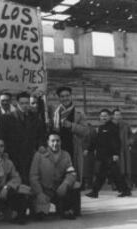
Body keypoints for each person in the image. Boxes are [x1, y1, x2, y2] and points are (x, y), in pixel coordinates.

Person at [52, 86, 88, 215]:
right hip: (59, 151)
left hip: (74, 150)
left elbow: (85, 131)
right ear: (59, 98)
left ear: (71, 96)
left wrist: (71, 126)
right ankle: (62, 208)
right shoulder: (54, 112)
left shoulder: (79, 113)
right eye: (62, 96)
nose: (65, 98)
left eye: (67, 95)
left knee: (74, 178)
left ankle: (74, 209)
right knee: (61, 178)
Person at [0, 92, 45, 185]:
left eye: (27, 103)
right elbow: (1, 137)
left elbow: (41, 135)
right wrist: (4, 152)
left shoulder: (35, 118)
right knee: (14, 181)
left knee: (30, 180)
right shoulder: (6, 118)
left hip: (30, 155)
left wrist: (41, 145)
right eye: (22, 103)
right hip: (13, 156)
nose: (25, 106)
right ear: (17, 103)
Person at [30, 132, 77, 220]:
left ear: (61, 142)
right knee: (40, 216)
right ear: (48, 142)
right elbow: (33, 176)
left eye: (57, 141)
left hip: (59, 190)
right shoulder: (39, 155)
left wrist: (65, 184)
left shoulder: (66, 155)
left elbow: (71, 173)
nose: (55, 143)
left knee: (68, 214)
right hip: (44, 190)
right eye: (52, 141)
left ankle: (65, 209)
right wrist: (39, 192)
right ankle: (40, 208)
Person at [86, 109, 131, 198]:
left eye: (105, 116)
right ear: (99, 117)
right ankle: (95, 192)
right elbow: (97, 141)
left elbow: (116, 142)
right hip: (103, 156)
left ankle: (125, 190)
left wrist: (116, 154)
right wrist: (89, 149)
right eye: (102, 116)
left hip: (110, 156)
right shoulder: (101, 127)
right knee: (104, 174)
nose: (103, 118)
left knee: (111, 174)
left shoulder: (112, 127)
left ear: (109, 117)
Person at [112, 109, 133, 192]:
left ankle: (127, 184)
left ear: (121, 115)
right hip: (114, 149)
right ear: (113, 116)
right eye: (116, 114)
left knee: (126, 167)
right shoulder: (110, 125)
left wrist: (129, 142)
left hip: (124, 149)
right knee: (115, 167)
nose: (117, 116)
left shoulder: (126, 124)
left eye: (119, 114)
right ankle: (115, 184)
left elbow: (131, 135)